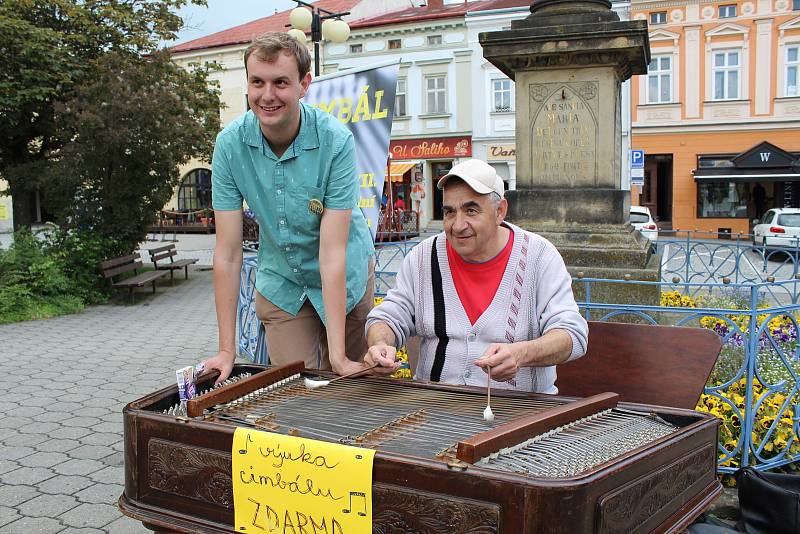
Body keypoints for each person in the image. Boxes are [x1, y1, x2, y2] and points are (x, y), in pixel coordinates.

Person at [204, 32, 375, 382]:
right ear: (248, 84)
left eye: (281, 82)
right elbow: (228, 253)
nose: (268, 95)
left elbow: (332, 255)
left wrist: (339, 358)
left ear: (303, 84)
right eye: (258, 82)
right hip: (282, 281)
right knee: (297, 393)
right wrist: (226, 349)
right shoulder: (230, 145)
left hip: (345, 275)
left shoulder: (335, 141)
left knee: (351, 393)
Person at [363, 159, 588, 393]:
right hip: (434, 409)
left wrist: (521, 353)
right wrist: (381, 345)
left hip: (522, 412)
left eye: (471, 210)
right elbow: (389, 317)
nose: (458, 225)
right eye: (449, 212)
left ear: (500, 211)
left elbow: (572, 335)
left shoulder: (539, 257)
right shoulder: (423, 257)